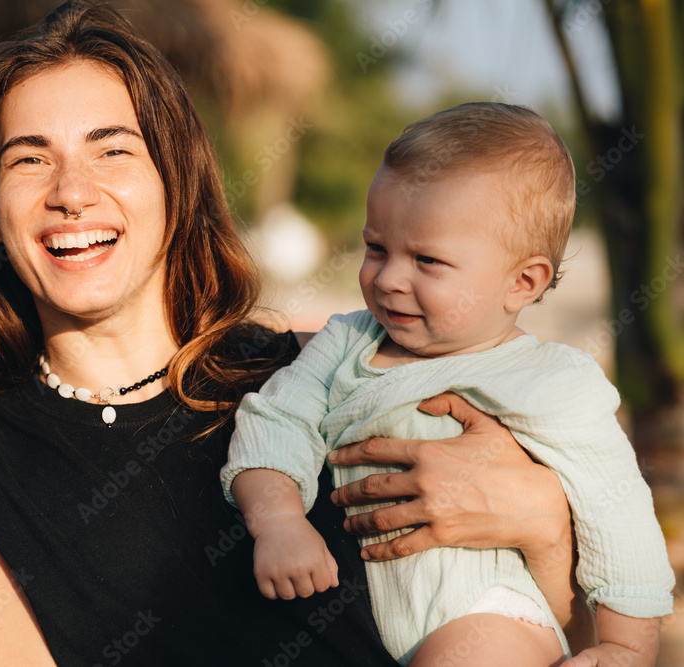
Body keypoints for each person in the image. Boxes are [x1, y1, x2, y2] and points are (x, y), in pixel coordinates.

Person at [0, 3, 593, 665]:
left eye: (112, 151)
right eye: (29, 158)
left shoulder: (328, 377)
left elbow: (548, 626)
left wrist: (547, 531)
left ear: (176, 184)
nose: (71, 191)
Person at [221, 102, 675, 666]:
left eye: (428, 260)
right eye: (376, 248)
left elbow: (617, 509)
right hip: (378, 624)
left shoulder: (551, 381)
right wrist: (278, 519)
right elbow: (275, 419)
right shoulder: (347, 343)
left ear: (522, 281)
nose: (388, 279)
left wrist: (627, 646)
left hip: (490, 614)